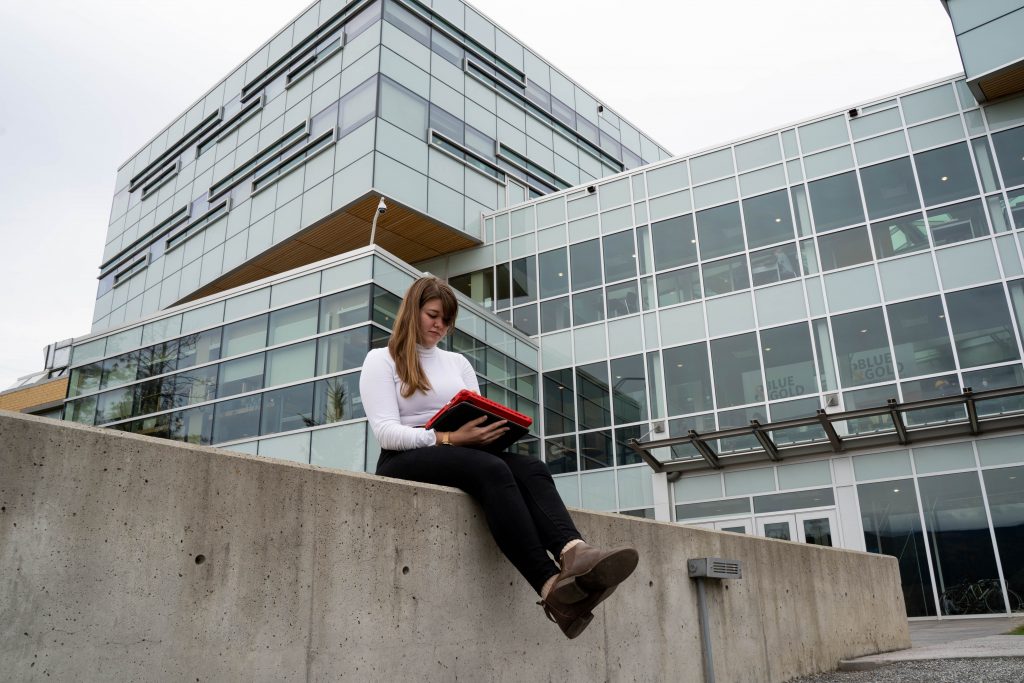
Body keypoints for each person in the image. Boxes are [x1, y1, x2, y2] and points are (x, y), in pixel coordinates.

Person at [359, 276, 638, 639]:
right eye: (433, 315)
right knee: (491, 468)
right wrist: (447, 436)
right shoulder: (381, 360)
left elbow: (475, 409)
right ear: (412, 311)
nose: (440, 326)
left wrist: (486, 432)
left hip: (462, 452)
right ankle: (549, 586)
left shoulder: (457, 362)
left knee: (533, 467)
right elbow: (385, 432)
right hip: (403, 459)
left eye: (446, 320)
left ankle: (575, 554)